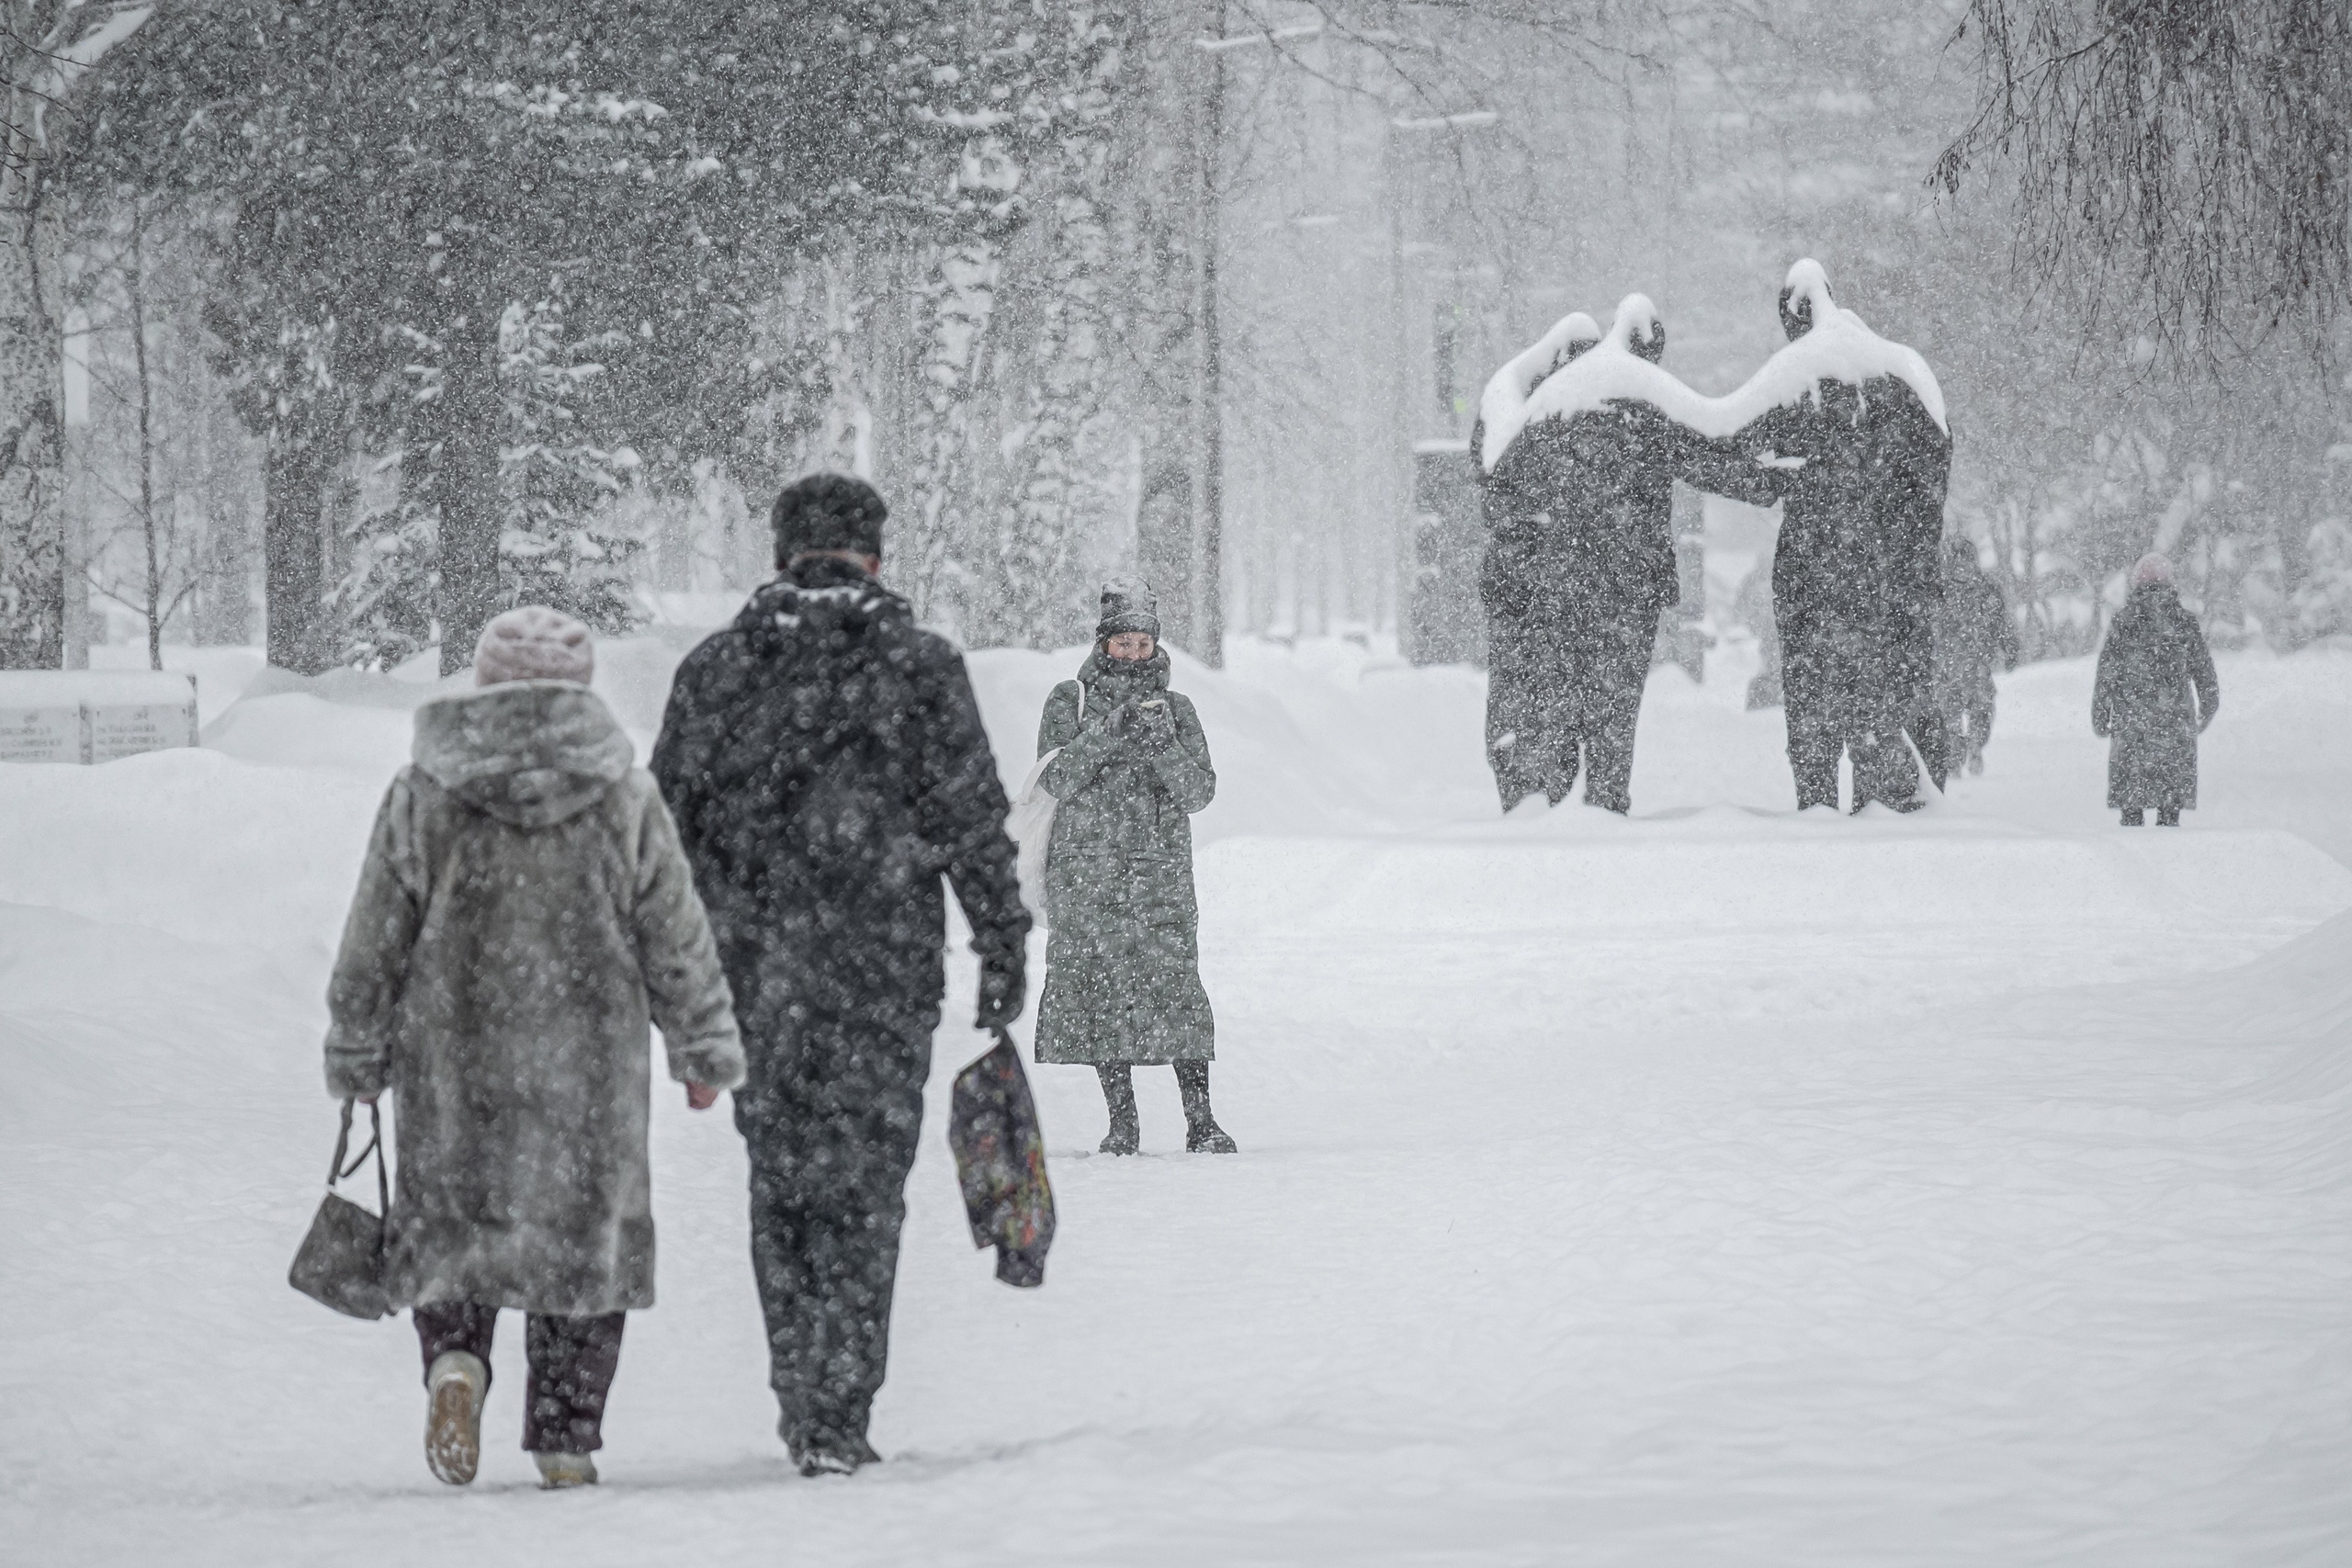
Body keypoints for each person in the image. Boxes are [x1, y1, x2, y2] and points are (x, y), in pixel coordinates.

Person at [650, 472, 1030, 1477]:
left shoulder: (718, 670)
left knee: (780, 1186)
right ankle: (841, 1403)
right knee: (867, 1189)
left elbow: (664, 844)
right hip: (883, 977)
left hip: (754, 978)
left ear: (780, 552)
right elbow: (971, 822)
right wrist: (1001, 946)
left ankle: (798, 1391)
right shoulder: (919, 667)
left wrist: (670, 985)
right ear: (873, 551)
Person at [322, 605, 744, 1492]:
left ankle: (455, 1364)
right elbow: (676, 934)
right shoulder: (625, 796)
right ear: (579, 688)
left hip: (452, 1064)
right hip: (587, 1072)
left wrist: (358, 1050)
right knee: (581, 1252)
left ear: (484, 682)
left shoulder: (422, 791)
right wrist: (702, 1048)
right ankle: (564, 1432)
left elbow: (374, 935)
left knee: (455, 1231)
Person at [1477, 297, 1775, 812]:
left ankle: (1550, 798)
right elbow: (1716, 454)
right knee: (1613, 706)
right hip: (1623, 590)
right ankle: (1604, 800)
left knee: (1557, 697)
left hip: (1557, 585)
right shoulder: (1646, 397)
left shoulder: (1547, 405)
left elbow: (1494, 477)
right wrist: (1782, 482)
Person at [1736, 260, 1952, 813]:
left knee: (1814, 713)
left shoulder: (1798, 377)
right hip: (1887, 580)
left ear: (1791, 317)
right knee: (1885, 702)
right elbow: (1936, 454)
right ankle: (1893, 804)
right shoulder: (1899, 370)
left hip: (1816, 578)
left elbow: (1735, 450)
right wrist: (1909, 547)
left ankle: (1821, 810)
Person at [1030, 585, 1231, 1153]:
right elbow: (1056, 779)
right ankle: (1122, 1124)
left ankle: (1202, 1121)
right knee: (1100, 994)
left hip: (1159, 878)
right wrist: (1109, 731)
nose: (1135, 652)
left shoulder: (1179, 709)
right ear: (1104, 643)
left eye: (1144, 643)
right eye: (1124, 642)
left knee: (1177, 991)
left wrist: (1162, 744)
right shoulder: (1066, 700)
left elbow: (1199, 793)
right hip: (1086, 876)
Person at [2093, 553, 2219, 827]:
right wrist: (2209, 702)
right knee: (2170, 793)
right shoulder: (2184, 623)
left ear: (2135, 584)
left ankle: (2133, 830)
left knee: (2132, 793)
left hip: (2132, 724)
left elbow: (2107, 674)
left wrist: (2101, 714)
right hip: (2172, 723)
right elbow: (2203, 669)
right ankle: (2168, 830)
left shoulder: (2124, 623)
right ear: (2170, 584)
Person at [1930, 537, 2019, 774]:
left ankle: (1965, 750)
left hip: (1956, 665)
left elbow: (2001, 622)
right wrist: (2009, 646)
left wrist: (2009, 646)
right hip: (1963, 664)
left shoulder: (1946, 589)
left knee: (1962, 712)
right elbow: (2001, 623)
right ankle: (1961, 752)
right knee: (1968, 712)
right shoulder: (1942, 590)